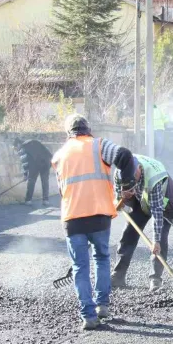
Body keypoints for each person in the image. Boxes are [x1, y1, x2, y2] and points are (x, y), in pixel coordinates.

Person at [51, 114, 136, 330]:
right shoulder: (99, 145)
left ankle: (88, 316)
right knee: (101, 258)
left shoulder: (59, 155)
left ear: (68, 133)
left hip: (72, 217)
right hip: (99, 214)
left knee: (80, 266)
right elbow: (125, 156)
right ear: (88, 129)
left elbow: (62, 190)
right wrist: (126, 187)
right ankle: (103, 305)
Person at [111, 154, 173, 293]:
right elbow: (117, 196)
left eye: (132, 182)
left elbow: (157, 212)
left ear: (138, 169)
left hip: (163, 201)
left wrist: (155, 241)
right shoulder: (120, 171)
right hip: (141, 199)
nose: (130, 185)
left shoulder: (154, 179)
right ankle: (118, 275)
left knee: (160, 239)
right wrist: (122, 198)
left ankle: (155, 279)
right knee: (129, 233)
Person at [14, 138, 53, 206]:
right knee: (45, 182)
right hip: (46, 162)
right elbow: (48, 152)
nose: (16, 149)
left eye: (15, 147)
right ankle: (45, 201)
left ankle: (28, 200)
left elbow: (25, 163)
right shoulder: (32, 142)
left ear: (18, 144)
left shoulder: (22, 148)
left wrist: (25, 175)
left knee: (31, 181)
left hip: (35, 164)